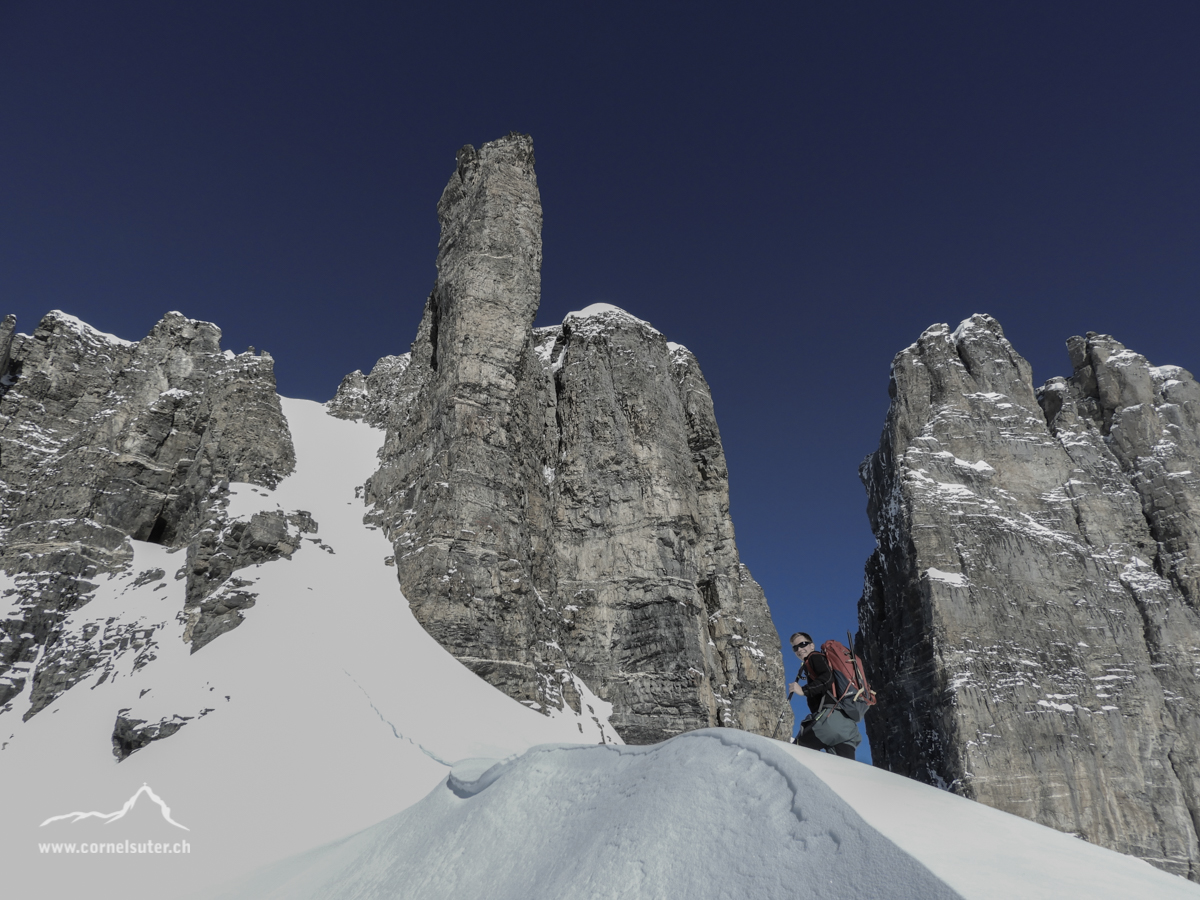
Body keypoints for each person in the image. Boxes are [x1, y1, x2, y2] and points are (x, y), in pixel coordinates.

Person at [787, 631, 859, 760]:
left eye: (803, 644)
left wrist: (804, 690)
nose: (799, 649)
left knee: (794, 755)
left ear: (812, 646)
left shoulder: (814, 657)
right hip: (847, 728)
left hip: (829, 721)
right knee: (846, 772)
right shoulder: (824, 661)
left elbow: (827, 678)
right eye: (795, 647)